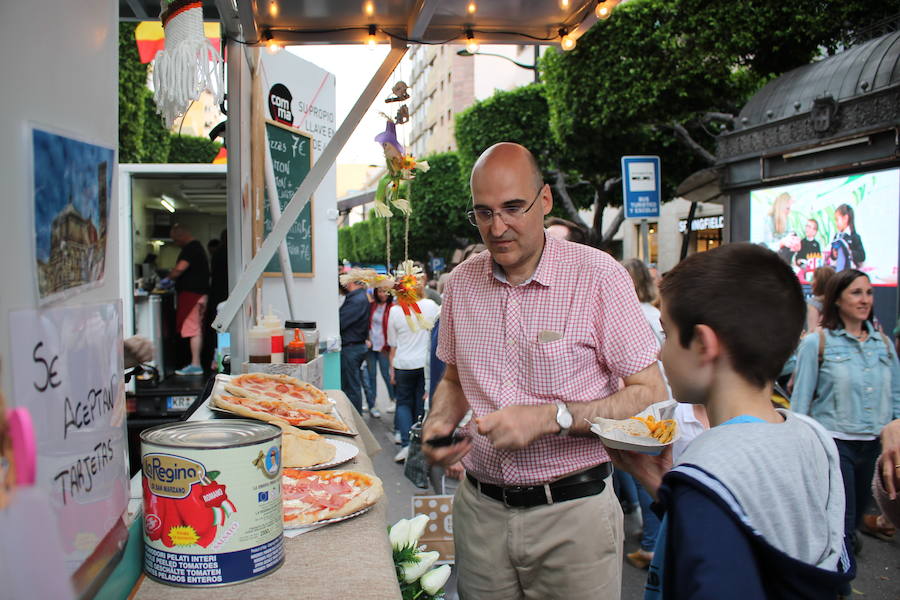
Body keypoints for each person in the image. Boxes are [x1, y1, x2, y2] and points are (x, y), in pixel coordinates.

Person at [424, 142, 665, 599]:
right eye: (483, 212)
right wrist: (439, 420)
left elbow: (649, 394)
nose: (498, 227)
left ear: (546, 200)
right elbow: (454, 379)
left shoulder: (599, 276)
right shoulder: (461, 284)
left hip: (573, 516)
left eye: (513, 208)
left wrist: (550, 417)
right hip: (480, 513)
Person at [608, 243, 854, 599]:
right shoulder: (812, 437)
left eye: (666, 334)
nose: (660, 352)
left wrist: (691, 489)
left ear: (704, 344)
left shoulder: (708, 467)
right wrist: (662, 487)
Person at [792, 269, 900, 561]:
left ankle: (840, 562)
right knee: (842, 520)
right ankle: (839, 584)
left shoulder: (884, 345)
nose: (865, 300)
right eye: (856, 292)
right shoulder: (817, 343)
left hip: (874, 446)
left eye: (869, 292)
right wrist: (799, 451)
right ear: (837, 299)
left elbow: (896, 398)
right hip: (836, 444)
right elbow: (800, 403)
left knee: (853, 522)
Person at [388, 273, 440, 463]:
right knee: (420, 403)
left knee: (402, 403)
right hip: (424, 364)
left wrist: (391, 369)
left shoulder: (395, 311)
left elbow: (392, 343)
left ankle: (405, 445)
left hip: (403, 363)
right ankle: (418, 443)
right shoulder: (432, 307)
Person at [159, 224, 209, 376]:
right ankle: (195, 363)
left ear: (181, 236)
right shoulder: (197, 247)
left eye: (175, 240)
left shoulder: (190, 249)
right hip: (200, 294)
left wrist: (168, 279)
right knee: (196, 328)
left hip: (192, 295)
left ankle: (195, 364)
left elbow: (180, 268)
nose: (176, 243)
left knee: (192, 329)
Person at [339, 276, 371, 413]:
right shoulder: (360, 297)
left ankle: (355, 419)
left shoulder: (356, 299)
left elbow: (341, 321)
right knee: (352, 385)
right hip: (354, 346)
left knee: (351, 387)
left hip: (352, 347)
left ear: (351, 281)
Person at [364, 287, 395, 419]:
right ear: (376, 292)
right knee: (371, 376)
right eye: (380, 291)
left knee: (386, 374)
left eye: (386, 291)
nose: (383, 294)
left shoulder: (392, 308)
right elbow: (366, 323)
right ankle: (372, 404)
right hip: (371, 345)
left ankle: (393, 399)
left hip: (384, 347)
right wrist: (366, 338)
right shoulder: (371, 306)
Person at [829, 204, 866, 271]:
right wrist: (834, 254)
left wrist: (848, 252)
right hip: (838, 271)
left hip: (851, 273)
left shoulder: (854, 237)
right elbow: (832, 255)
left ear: (845, 218)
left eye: (837, 220)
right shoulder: (837, 236)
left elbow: (862, 256)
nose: (836, 223)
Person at [805, 266, 835, 332]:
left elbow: (812, 331)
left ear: (819, 282)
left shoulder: (813, 303)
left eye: (812, 279)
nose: (810, 283)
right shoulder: (839, 303)